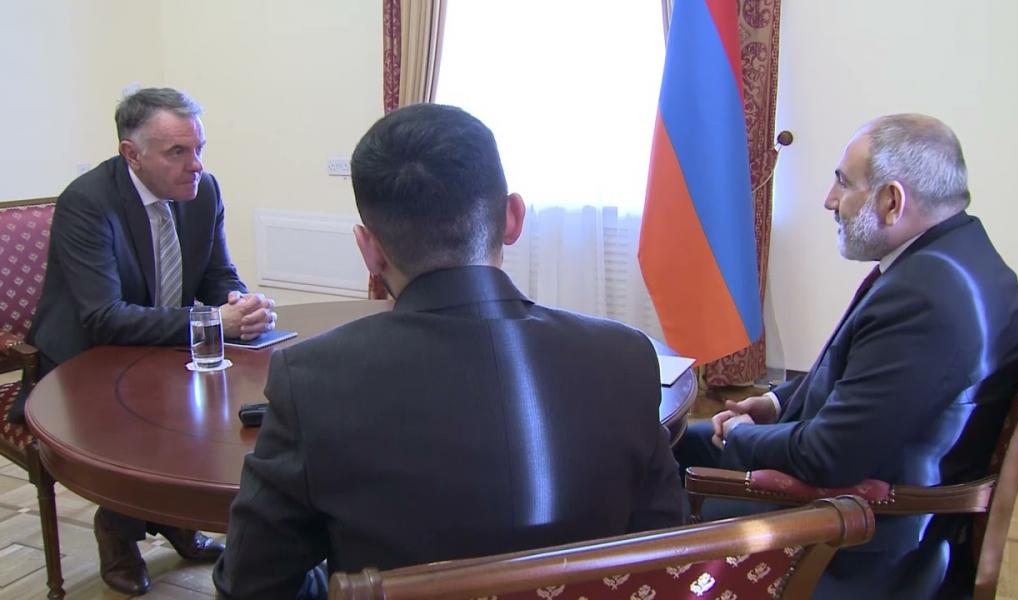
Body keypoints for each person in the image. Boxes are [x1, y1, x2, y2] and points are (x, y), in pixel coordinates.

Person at [212, 103, 684, 599]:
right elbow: (666, 553)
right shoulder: (624, 357)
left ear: (369, 249)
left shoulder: (310, 379)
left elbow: (252, 585)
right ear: (512, 218)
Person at [675, 114, 1018, 598]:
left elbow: (827, 457)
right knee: (664, 442)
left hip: (863, 542)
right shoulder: (958, 255)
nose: (830, 199)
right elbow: (856, 369)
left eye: (843, 182)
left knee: (660, 478)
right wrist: (776, 403)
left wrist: (741, 435)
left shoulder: (926, 298)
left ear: (891, 201)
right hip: (874, 488)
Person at [24, 88, 276, 596]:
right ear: (131, 154)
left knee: (217, 402)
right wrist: (214, 321)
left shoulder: (204, 190)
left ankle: (176, 518)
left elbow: (217, 274)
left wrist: (241, 303)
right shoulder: (87, 202)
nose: (195, 164)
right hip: (84, 359)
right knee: (141, 418)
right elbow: (103, 318)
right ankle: (118, 530)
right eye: (177, 152)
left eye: (199, 148)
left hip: (159, 343)